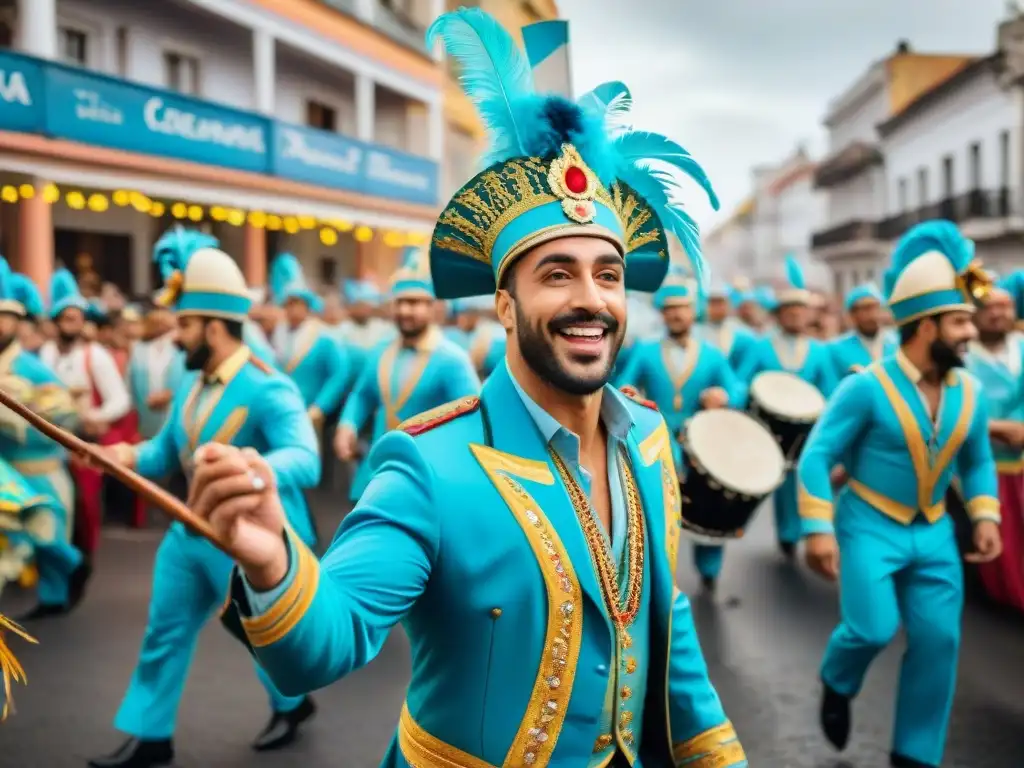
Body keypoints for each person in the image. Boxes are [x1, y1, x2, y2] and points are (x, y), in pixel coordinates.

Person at [197, 9, 746, 766]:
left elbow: (663, 619)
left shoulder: (649, 438)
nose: (591, 299)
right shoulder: (426, 465)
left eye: (609, 274)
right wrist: (273, 563)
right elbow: (329, 638)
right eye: (557, 274)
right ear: (505, 305)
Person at [87, 240, 321, 768]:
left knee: (261, 638)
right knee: (162, 633)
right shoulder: (192, 385)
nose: (176, 335)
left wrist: (252, 469)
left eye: (185, 324)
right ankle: (150, 735)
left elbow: (306, 459)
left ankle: (292, 701)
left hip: (244, 540)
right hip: (189, 532)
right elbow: (165, 451)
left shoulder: (268, 387)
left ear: (214, 328)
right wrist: (120, 455)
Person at [797, 220, 1002, 768]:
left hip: (934, 532)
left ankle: (915, 754)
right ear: (926, 326)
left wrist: (986, 516)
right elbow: (817, 456)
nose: (970, 332)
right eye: (959, 321)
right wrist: (817, 529)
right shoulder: (865, 386)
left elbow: (977, 459)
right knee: (871, 629)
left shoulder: (972, 391)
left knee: (940, 641)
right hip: (868, 523)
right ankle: (837, 678)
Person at [616, 265, 745, 590]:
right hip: (657, 439)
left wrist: (725, 396)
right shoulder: (646, 351)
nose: (676, 315)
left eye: (682, 308)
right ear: (662, 313)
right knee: (656, 507)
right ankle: (659, 572)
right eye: (670, 309)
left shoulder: (712, 355)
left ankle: (709, 566)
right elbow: (622, 386)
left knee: (708, 504)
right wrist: (632, 397)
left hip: (704, 441)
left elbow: (737, 388)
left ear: (694, 311)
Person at [332, 245, 480, 502]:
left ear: (433, 307)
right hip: (377, 471)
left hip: (427, 480)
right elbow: (363, 394)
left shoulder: (452, 360)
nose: (404, 311)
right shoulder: (381, 351)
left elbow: (473, 422)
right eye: (400, 302)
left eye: (414, 303)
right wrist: (348, 424)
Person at [0, 261, 89, 619]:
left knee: (47, 537)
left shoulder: (32, 369)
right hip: (5, 472)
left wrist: (16, 420)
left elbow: (65, 418)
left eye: (4, 317)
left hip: (40, 470)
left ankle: (69, 575)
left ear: (17, 322)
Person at [738, 256, 836, 557]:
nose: (795, 316)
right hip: (771, 427)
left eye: (800, 311)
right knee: (779, 482)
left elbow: (830, 388)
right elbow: (741, 381)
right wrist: (730, 399)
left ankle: (810, 527)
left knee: (807, 475)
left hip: (809, 429)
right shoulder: (761, 346)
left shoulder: (819, 351)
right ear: (778, 315)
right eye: (789, 311)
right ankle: (787, 532)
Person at [39, 268, 132, 559]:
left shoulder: (96, 355)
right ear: (56, 321)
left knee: (87, 506)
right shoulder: (45, 354)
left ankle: (84, 560)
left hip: (83, 442)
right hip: (48, 443)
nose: (73, 324)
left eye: (77, 318)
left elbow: (120, 400)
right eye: (67, 318)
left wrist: (96, 416)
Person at [966, 286, 1024, 611]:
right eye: (989, 307)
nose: (998, 313)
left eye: (1006, 306)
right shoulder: (960, 357)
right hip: (982, 468)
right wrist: (997, 428)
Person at [827, 283, 898, 380]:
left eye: (876, 307)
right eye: (866, 309)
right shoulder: (837, 349)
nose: (872, 314)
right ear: (852, 314)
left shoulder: (898, 342)